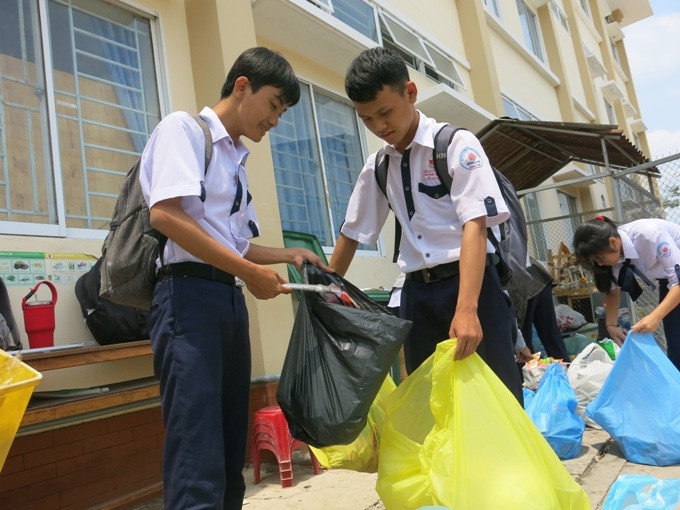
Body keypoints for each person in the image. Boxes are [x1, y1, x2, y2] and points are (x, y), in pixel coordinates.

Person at [139, 47, 328, 509]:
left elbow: (234, 243)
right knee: (196, 447)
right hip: (186, 298)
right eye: (273, 105)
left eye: (282, 112)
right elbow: (165, 215)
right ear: (242, 86)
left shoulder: (236, 161)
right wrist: (248, 272)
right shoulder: (183, 130)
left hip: (226, 298)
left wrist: (287, 255)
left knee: (227, 452)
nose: (275, 121)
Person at [329, 47, 523, 404]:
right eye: (367, 119)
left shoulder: (454, 145)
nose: (379, 126)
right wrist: (325, 292)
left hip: (471, 287)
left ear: (411, 93)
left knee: (496, 394)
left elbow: (475, 226)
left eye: (385, 112)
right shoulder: (379, 166)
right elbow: (352, 233)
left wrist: (467, 309)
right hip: (417, 295)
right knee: (433, 401)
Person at [573, 215, 680, 371]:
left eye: (599, 257)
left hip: (677, 281)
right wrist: (611, 326)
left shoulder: (648, 234)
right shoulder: (612, 256)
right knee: (676, 345)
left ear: (613, 242)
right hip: (670, 282)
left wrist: (654, 317)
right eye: (594, 261)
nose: (599, 263)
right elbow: (611, 292)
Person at [519, 257, 571, 360]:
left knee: (523, 340)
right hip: (539, 277)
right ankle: (564, 368)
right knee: (551, 333)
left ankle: (529, 373)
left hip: (520, 285)